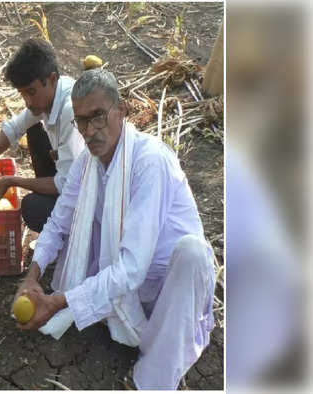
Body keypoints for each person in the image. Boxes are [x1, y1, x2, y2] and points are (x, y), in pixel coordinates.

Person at [13, 69, 216, 389]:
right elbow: (59, 222)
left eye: (98, 116)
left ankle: (153, 377)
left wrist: (61, 300)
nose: (90, 130)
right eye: (81, 120)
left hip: (166, 286)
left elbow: (134, 268)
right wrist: (33, 274)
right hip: (123, 281)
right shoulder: (87, 162)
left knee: (192, 252)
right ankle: (119, 314)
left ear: (120, 110)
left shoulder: (149, 161)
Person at [0, 38, 84, 232]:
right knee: (35, 128)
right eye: (23, 94)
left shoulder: (70, 110)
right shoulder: (49, 98)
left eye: (31, 92)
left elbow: (66, 183)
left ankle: (69, 236)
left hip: (88, 199)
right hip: (71, 179)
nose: (27, 101)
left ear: (52, 79)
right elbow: (13, 128)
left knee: (32, 208)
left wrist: (14, 181)